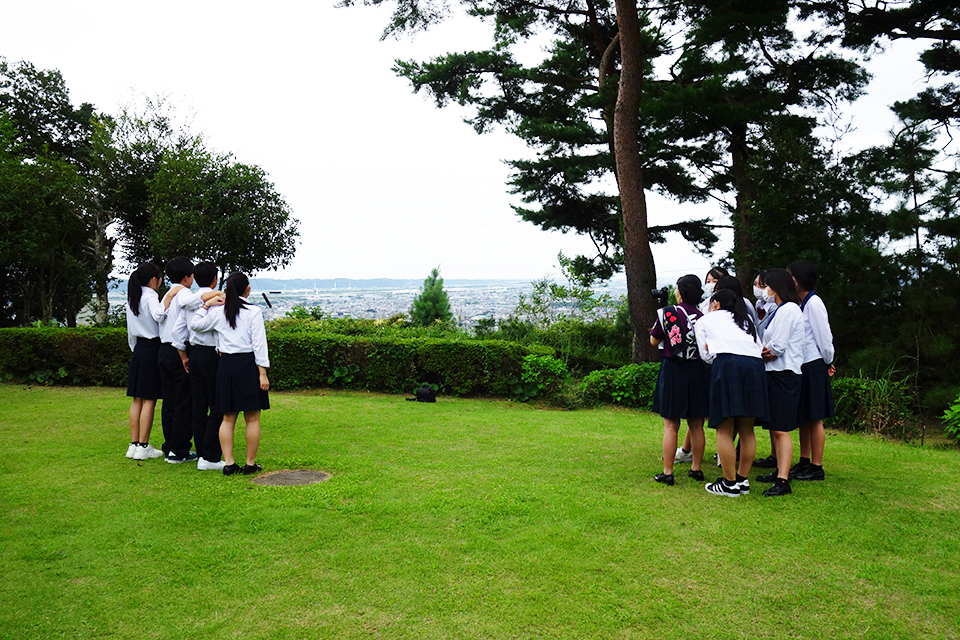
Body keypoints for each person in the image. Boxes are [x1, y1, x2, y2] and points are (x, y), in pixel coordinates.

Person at [190, 272, 270, 476]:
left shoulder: (218, 311)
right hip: (247, 364)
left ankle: (228, 463)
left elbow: (195, 325)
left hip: (225, 364)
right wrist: (263, 373)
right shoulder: (253, 311)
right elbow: (259, 344)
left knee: (227, 418)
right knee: (252, 418)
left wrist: (206, 305)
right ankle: (250, 464)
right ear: (248, 288)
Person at [694, 288, 768, 497]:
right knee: (746, 429)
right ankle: (742, 481)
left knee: (724, 427)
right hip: (755, 367)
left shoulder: (706, 320)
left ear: (715, 303)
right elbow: (758, 348)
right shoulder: (747, 322)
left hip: (727, 365)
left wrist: (713, 349)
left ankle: (729, 483)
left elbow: (705, 355)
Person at [649, 275, 710, 486]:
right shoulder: (704, 316)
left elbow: (654, 339)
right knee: (696, 424)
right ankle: (696, 468)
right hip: (698, 370)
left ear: (680, 292)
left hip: (674, 370)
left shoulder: (669, 313)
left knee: (671, 425)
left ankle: (668, 472)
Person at [753, 269, 806, 497]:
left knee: (782, 429)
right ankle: (778, 471)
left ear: (777, 287)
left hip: (784, 373)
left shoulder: (789, 310)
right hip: (775, 373)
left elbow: (777, 347)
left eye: (768, 285)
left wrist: (763, 352)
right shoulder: (781, 310)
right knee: (775, 427)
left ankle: (783, 479)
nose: (765, 289)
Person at [787, 260, 836, 481]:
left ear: (797, 279)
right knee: (805, 416)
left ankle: (817, 466)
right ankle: (804, 460)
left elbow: (824, 338)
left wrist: (828, 361)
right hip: (803, 364)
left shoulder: (814, 303)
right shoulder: (800, 303)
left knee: (815, 417)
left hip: (815, 363)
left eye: (790, 276)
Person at [174, 262, 226, 471]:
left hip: (194, 353)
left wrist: (184, 356)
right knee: (216, 406)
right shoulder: (219, 300)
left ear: (195, 277)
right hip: (213, 355)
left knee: (198, 405)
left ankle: (202, 451)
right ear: (215, 278)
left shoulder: (188, 302)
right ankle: (211, 455)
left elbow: (178, 332)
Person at [157, 256, 199, 464]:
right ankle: (179, 449)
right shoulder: (183, 293)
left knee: (169, 401)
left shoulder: (167, 294)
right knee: (183, 401)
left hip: (163, 350)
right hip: (178, 350)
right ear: (187, 277)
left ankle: (170, 446)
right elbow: (189, 302)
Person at [125, 263, 166, 461]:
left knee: (137, 398)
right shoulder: (151, 296)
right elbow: (159, 315)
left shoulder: (132, 297)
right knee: (149, 398)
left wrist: (136, 349)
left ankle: (134, 445)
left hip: (139, 349)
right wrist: (170, 299)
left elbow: (130, 332)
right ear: (153, 279)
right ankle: (143, 445)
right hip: (152, 347)